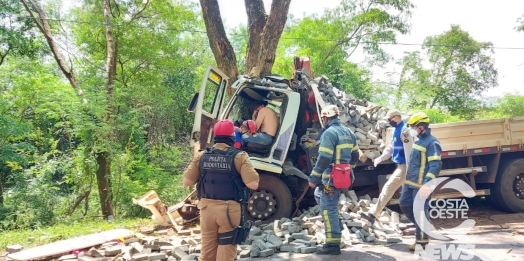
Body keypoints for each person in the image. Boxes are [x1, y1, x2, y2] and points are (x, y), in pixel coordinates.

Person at [182, 119, 260, 261]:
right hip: (229, 211)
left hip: (206, 210)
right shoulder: (239, 156)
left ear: (215, 135)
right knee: (225, 254)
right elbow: (253, 184)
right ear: (232, 135)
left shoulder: (202, 155)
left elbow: (187, 182)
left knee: (207, 253)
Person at [308, 105, 359, 255]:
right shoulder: (349, 132)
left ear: (325, 118)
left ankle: (332, 244)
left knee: (328, 207)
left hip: (330, 178)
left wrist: (313, 177)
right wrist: (348, 169)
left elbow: (324, 157)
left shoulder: (329, 133)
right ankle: (336, 224)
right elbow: (355, 155)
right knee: (320, 196)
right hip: (343, 177)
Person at [398, 112, 442, 251]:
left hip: (422, 184)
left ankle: (422, 242)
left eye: (413, 126)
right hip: (411, 182)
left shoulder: (432, 143)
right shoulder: (418, 140)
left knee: (420, 211)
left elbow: (435, 166)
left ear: (421, 127)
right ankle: (423, 227)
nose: (411, 129)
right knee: (404, 205)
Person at [361, 109, 412, 223]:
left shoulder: (404, 131)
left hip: (405, 166)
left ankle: (373, 215)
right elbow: (391, 148)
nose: (389, 122)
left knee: (389, 188)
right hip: (400, 165)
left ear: (396, 118)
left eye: (390, 119)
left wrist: (410, 169)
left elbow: (409, 152)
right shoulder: (396, 130)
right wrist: (381, 158)